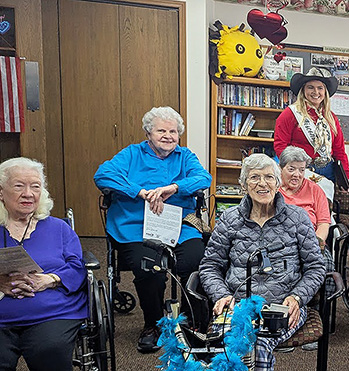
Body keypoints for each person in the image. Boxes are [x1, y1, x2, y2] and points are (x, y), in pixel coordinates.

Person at [93, 106, 211, 353]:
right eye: (161, 131)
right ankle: (153, 325)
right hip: (137, 226)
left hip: (178, 224)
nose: (168, 136)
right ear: (148, 133)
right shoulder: (131, 154)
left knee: (196, 261)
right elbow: (103, 175)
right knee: (151, 268)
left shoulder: (185, 156)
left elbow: (203, 178)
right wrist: (140, 192)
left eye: (173, 131)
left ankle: (189, 321)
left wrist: (175, 188)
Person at [199, 153, 326, 371]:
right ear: (243, 185)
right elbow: (210, 265)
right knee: (229, 346)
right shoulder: (229, 219)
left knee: (259, 344)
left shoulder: (298, 218)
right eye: (254, 177)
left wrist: (297, 297)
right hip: (238, 305)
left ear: (278, 183)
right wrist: (221, 295)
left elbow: (315, 267)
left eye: (269, 177)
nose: (262, 184)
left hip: (282, 305)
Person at [0, 158, 87, 371]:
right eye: (19, 185)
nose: (28, 193)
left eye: (35, 186)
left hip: (53, 313)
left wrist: (49, 280)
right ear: (1, 192)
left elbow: (78, 268)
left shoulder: (59, 228)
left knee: (49, 351)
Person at [274, 66, 349, 187]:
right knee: (299, 206)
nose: (316, 92)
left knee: (323, 205)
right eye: (310, 87)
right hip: (300, 171)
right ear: (303, 90)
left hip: (327, 172)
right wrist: (292, 171)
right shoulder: (290, 114)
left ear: (325, 92)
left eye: (320, 88)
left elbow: (339, 150)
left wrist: (346, 176)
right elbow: (280, 146)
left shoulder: (331, 118)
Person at [278, 146, 331, 245]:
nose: (297, 174)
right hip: (280, 244)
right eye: (291, 169)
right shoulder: (273, 190)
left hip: (311, 242)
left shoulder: (315, 190)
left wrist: (314, 244)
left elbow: (323, 224)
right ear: (280, 168)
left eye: (302, 170)